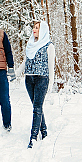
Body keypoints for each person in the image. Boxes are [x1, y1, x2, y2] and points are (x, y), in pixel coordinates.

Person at [20, 20, 55, 148]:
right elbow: (25, 62)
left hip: (42, 79)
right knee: (36, 107)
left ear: (43, 31)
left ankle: (33, 137)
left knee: (37, 108)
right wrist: (15, 73)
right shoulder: (30, 45)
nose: (34, 30)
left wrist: (51, 82)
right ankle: (44, 130)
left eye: (38, 28)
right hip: (29, 79)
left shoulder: (49, 46)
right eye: (34, 27)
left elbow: (51, 66)